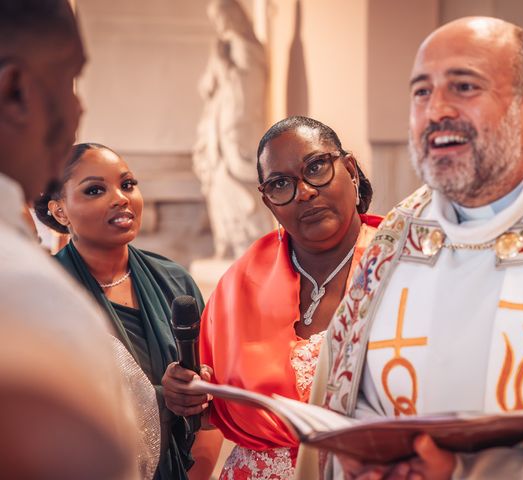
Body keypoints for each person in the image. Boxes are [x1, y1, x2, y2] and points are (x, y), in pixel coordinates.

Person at [308, 17, 523, 480]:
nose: (436, 109)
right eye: (421, 91)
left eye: (464, 86)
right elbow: (347, 390)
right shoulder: (394, 239)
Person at [162, 116, 382, 479]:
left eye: (316, 168)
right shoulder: (241, 284)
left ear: (350, 169)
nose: (306, 192)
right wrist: (186, 392)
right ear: (268, 201)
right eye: (281, 184)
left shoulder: (396, 265)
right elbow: (211, 413)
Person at [0, 1, 139, 478]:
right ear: (15, 91)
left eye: (128, 183)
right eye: (67, 80)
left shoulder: (166, 277)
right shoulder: (26, 291)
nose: (78, 107)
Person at [34, 142, 221, 480]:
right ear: (60, 211)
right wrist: (164, 400)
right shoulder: (46, 293)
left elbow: (210, 410)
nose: (121, 197)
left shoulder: (175, 282)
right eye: (94, 190)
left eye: (128, 184)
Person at [193, 0, 273, 259]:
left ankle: (249, 245)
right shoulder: (223, 47)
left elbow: (247, 86)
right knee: (219, 188)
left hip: (234, 132)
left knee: (238, 187)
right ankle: (227, 242)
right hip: (219, 132)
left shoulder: (245, 46)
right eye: (216, 18)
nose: (220, 23)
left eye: (222, 16)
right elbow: (208, 87)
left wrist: (224, 67)